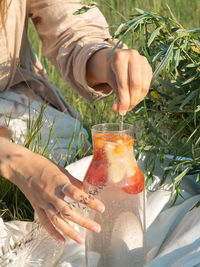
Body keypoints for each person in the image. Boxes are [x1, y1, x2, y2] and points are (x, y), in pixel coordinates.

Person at [0, 0, 152, 245]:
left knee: (65, 139)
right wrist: (21, 164)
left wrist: (106, 60)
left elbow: (70, 24)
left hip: (12, 100)